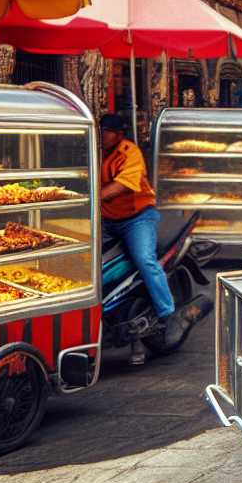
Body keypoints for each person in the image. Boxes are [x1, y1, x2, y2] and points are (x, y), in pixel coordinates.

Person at [98, 114, 199, 365]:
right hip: (107, 220)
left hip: (137, 219)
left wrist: (92, 196)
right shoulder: (94, 150)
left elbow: (121, 186)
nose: (103, 135)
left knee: (145, 260)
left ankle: (167, 314)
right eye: (101, 130)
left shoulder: (129, 152)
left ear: (119, 133)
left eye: (107, 131)